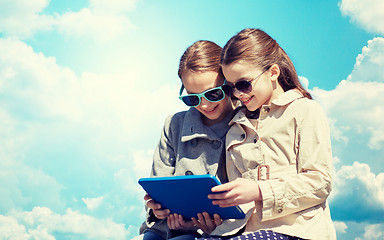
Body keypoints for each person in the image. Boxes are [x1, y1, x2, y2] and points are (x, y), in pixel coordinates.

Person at [200, 28, 336, 240]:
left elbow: (320, 183)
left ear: (273, 72)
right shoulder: (234, 127)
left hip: (297, 231)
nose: (238, 94)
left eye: (244, 84)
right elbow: (240, 203)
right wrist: (215, 222)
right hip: (243, 233)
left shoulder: (305, 111)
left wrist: (259, 190)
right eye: (230, 88)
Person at [138, 40, 239, 240]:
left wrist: (210, 225)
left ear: (228, 83)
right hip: (162, 229)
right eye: (193, 98)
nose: (204, 104)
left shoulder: (245, 124)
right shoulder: (174, 124)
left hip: (215, 233)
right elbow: (159, 182)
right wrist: (157, 210)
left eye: (213, 93)